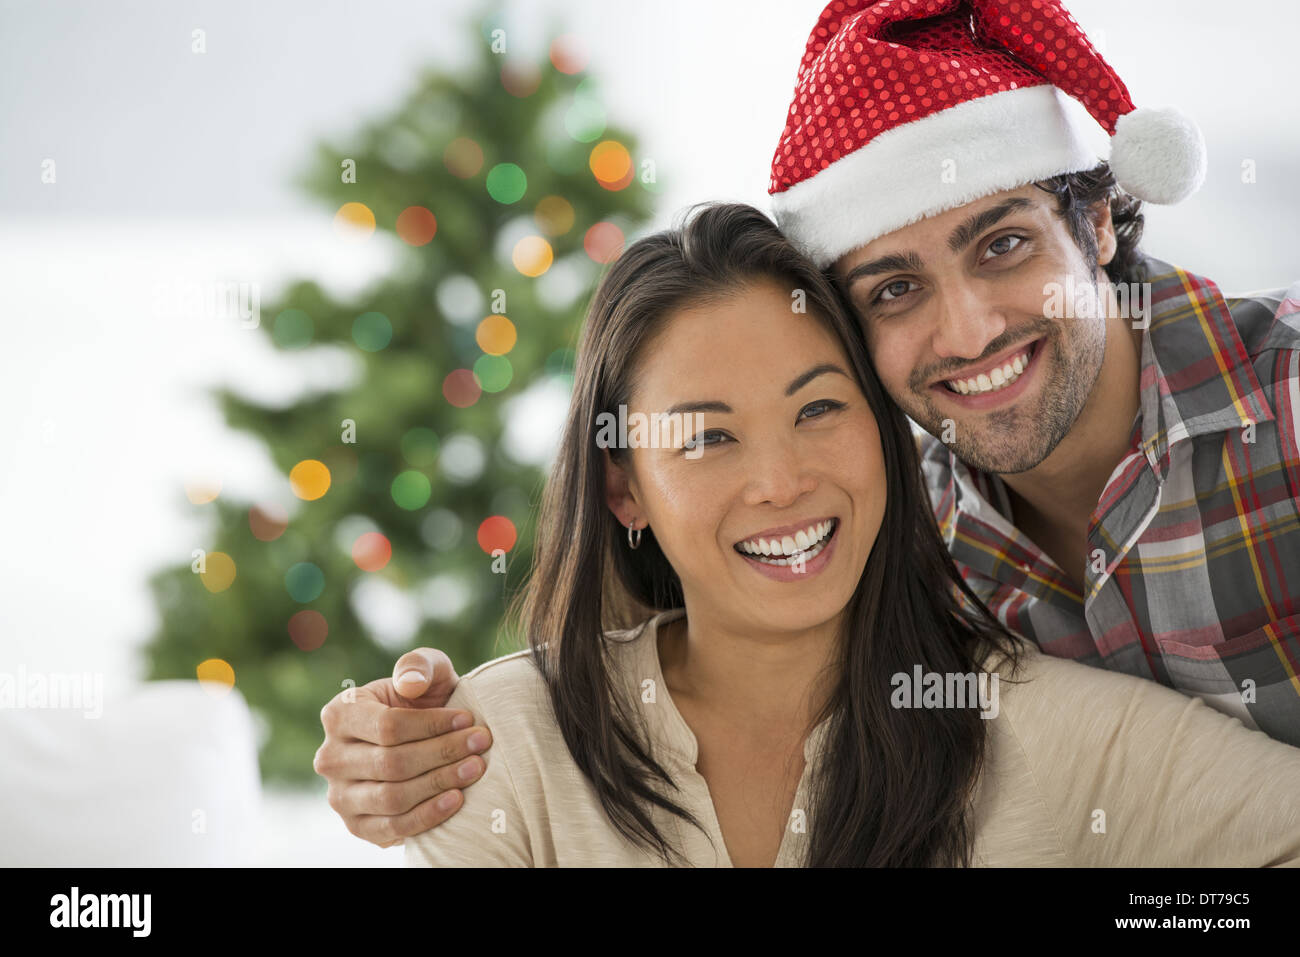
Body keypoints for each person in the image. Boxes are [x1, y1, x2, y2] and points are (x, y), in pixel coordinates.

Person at [314, 0, 1300, 846]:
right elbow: (692, 629)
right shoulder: (893, 519)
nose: (966, 329)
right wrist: (415, 739)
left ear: (1094, 221)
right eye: (894, 286)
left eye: (1002, 243)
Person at [398, 201, 1300, 866]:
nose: (782, 483)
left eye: (819, 408)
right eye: (708, 437)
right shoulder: (496, 749)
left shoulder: (1044, 726)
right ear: (623, 489)